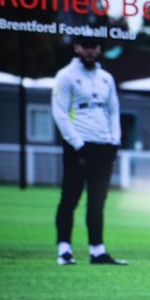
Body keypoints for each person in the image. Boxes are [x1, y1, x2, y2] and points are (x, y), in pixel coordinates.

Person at [51, 38, 127, 266]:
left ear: (99, 50)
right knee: (70, 198)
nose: (90, 51)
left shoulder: (106, 78)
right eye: (86, 47)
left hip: (104, 146)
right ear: (77, 49)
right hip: (79, 147)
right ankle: (64, 250)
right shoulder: (65, 76)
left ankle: (97, 251)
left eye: (94, 47)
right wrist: (78, 144)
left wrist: (115, 140)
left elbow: (114, 111)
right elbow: (60, 114)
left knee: (97, 202)